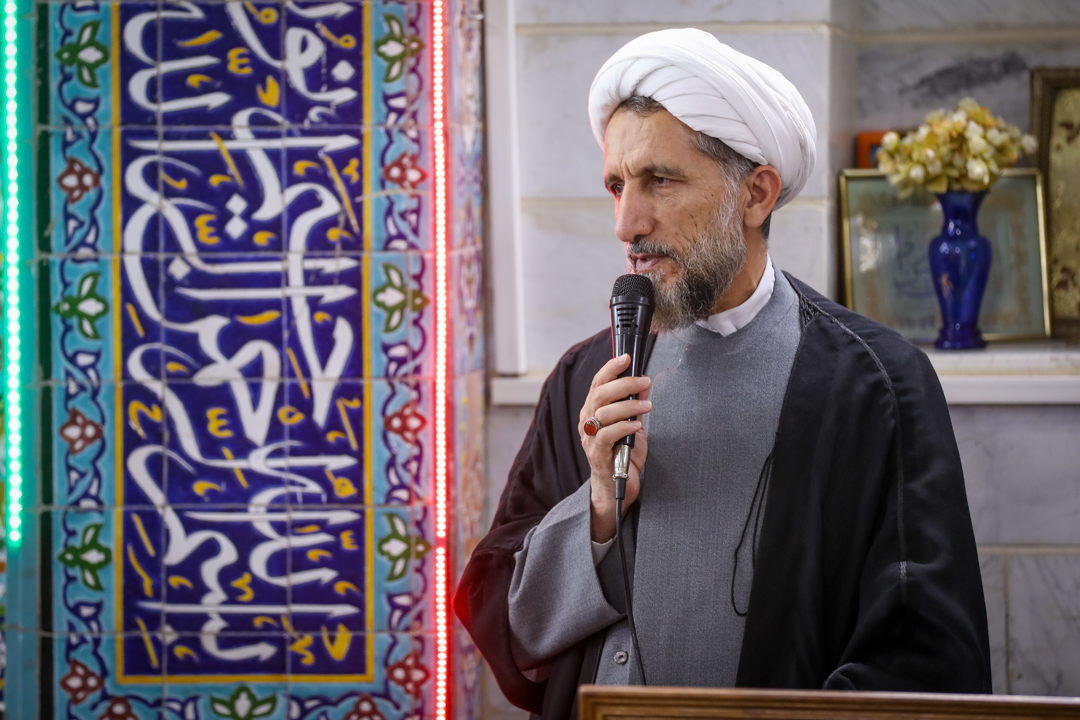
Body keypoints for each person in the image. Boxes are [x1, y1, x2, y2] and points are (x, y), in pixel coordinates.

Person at [454, 28, 991, 720]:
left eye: (660, 180)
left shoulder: (874, 385)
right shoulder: (585, 374)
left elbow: (924, 660)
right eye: (617, 185)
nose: (627, 222)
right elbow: (502, 621)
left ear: (756, 195)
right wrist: (597, 513)